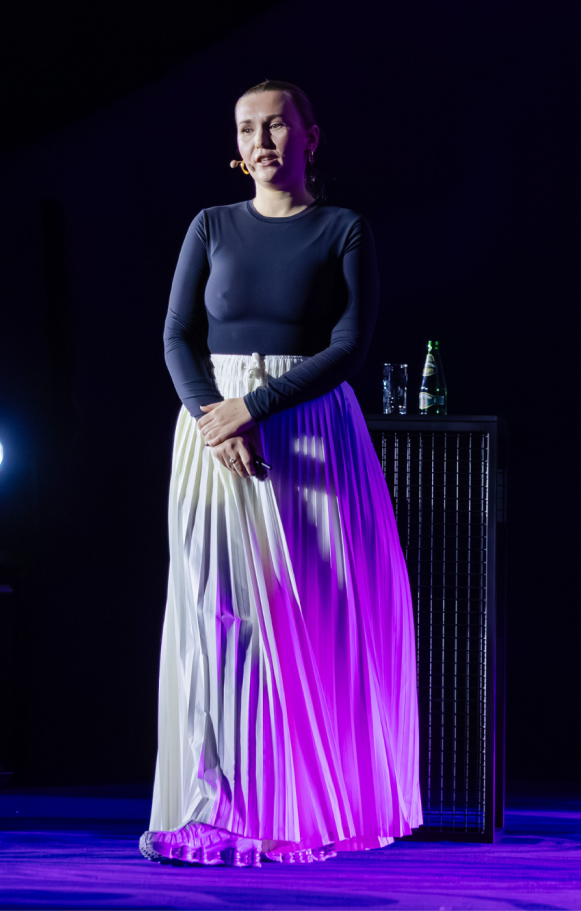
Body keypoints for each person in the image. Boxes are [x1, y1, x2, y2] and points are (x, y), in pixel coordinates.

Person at [139, 79, 422, 869]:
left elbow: (348, 347)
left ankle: (299, 810)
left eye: (275, 125)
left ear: (309, 137)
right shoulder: (210, 225)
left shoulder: (342, 228)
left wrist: (252, 407)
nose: (260, 140)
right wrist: (214, 417)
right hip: (212, 436)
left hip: (309, 434)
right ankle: (218, 810)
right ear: (236, 147)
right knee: (219, 619)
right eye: (246, 128)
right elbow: (177, 335)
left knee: (308, 621)